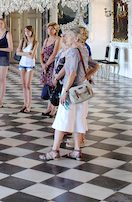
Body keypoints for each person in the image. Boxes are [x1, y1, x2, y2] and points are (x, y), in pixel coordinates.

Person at [40, 26, 93, 162]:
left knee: (61, 120)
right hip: (81, 90)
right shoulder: (84, 49)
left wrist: (65, 91)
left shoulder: (74, 51)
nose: (66, 37)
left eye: (69, 35)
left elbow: (72, 73)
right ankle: (77, 150)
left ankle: (54, 151)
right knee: (78, 119)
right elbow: (93, 65)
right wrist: (85, 77)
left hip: (71, 90)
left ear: (76, 38)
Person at [40, 22, 62, 117]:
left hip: (53, 65)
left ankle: (54, 108)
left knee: (53, 86)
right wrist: (42, 64)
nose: (50, 30)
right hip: (45, 65)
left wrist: (47, 65)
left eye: (52, 29)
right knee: (48, 86)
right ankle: (49, 107)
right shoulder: (46, 40)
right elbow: (41, 53)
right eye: (48, 28)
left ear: (56, 30)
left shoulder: (58, 39)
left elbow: (54, 54)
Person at [16, 26, 38, 113]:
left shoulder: (35, 42)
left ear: (32, 32)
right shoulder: (23, 41)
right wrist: (26, 53)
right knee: (24, 85)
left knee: (28, 85)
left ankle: (29, 105)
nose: (27, 33)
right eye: (25, 31)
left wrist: (24, 53)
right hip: (22, 64)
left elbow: (32, 56)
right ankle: (25, 104)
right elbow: (17, 52)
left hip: (30, 64)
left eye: (28, 31)